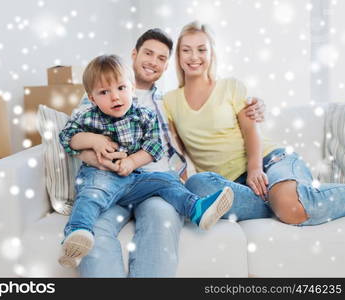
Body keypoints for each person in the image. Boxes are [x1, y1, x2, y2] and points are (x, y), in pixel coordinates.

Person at [73, 29, 265, 277]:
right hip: (111, 181)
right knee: (93, 226)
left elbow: (206, 125)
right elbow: (75, 140)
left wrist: (255, 106)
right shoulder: (100, 91)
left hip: (156, 186)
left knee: (160, 221)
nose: (153, 61)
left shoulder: (168, 103)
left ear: (166, 67)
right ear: (134, 54)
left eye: (162, 58)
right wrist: (98, 159)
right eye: (148, 53)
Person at [58, 54, 234, 267]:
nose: (115, 97)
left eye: (121, 88)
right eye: (104, 92)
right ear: (92, 98)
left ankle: (196, 208)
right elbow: (67, 137)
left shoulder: (144, 115)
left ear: (132, 88)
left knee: (166, 181)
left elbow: (154, 147)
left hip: (133, 178)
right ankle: (78, 233)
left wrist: (132, 162)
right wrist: (93, 140)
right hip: (101, 175)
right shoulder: (88, 117)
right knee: (90, 195)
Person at [164, 21, 345, 226]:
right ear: (178, 56)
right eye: (186, 50)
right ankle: (281, 201)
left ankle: (284, 200)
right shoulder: (169, 101)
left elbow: (251, 131)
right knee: (196, 184)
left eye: (201, 49)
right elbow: (177, 152)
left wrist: (255, 169)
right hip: (233, 186)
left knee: (291, 209)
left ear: (212, 53)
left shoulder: (230, 86)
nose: (194, 57)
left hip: (271, 160)